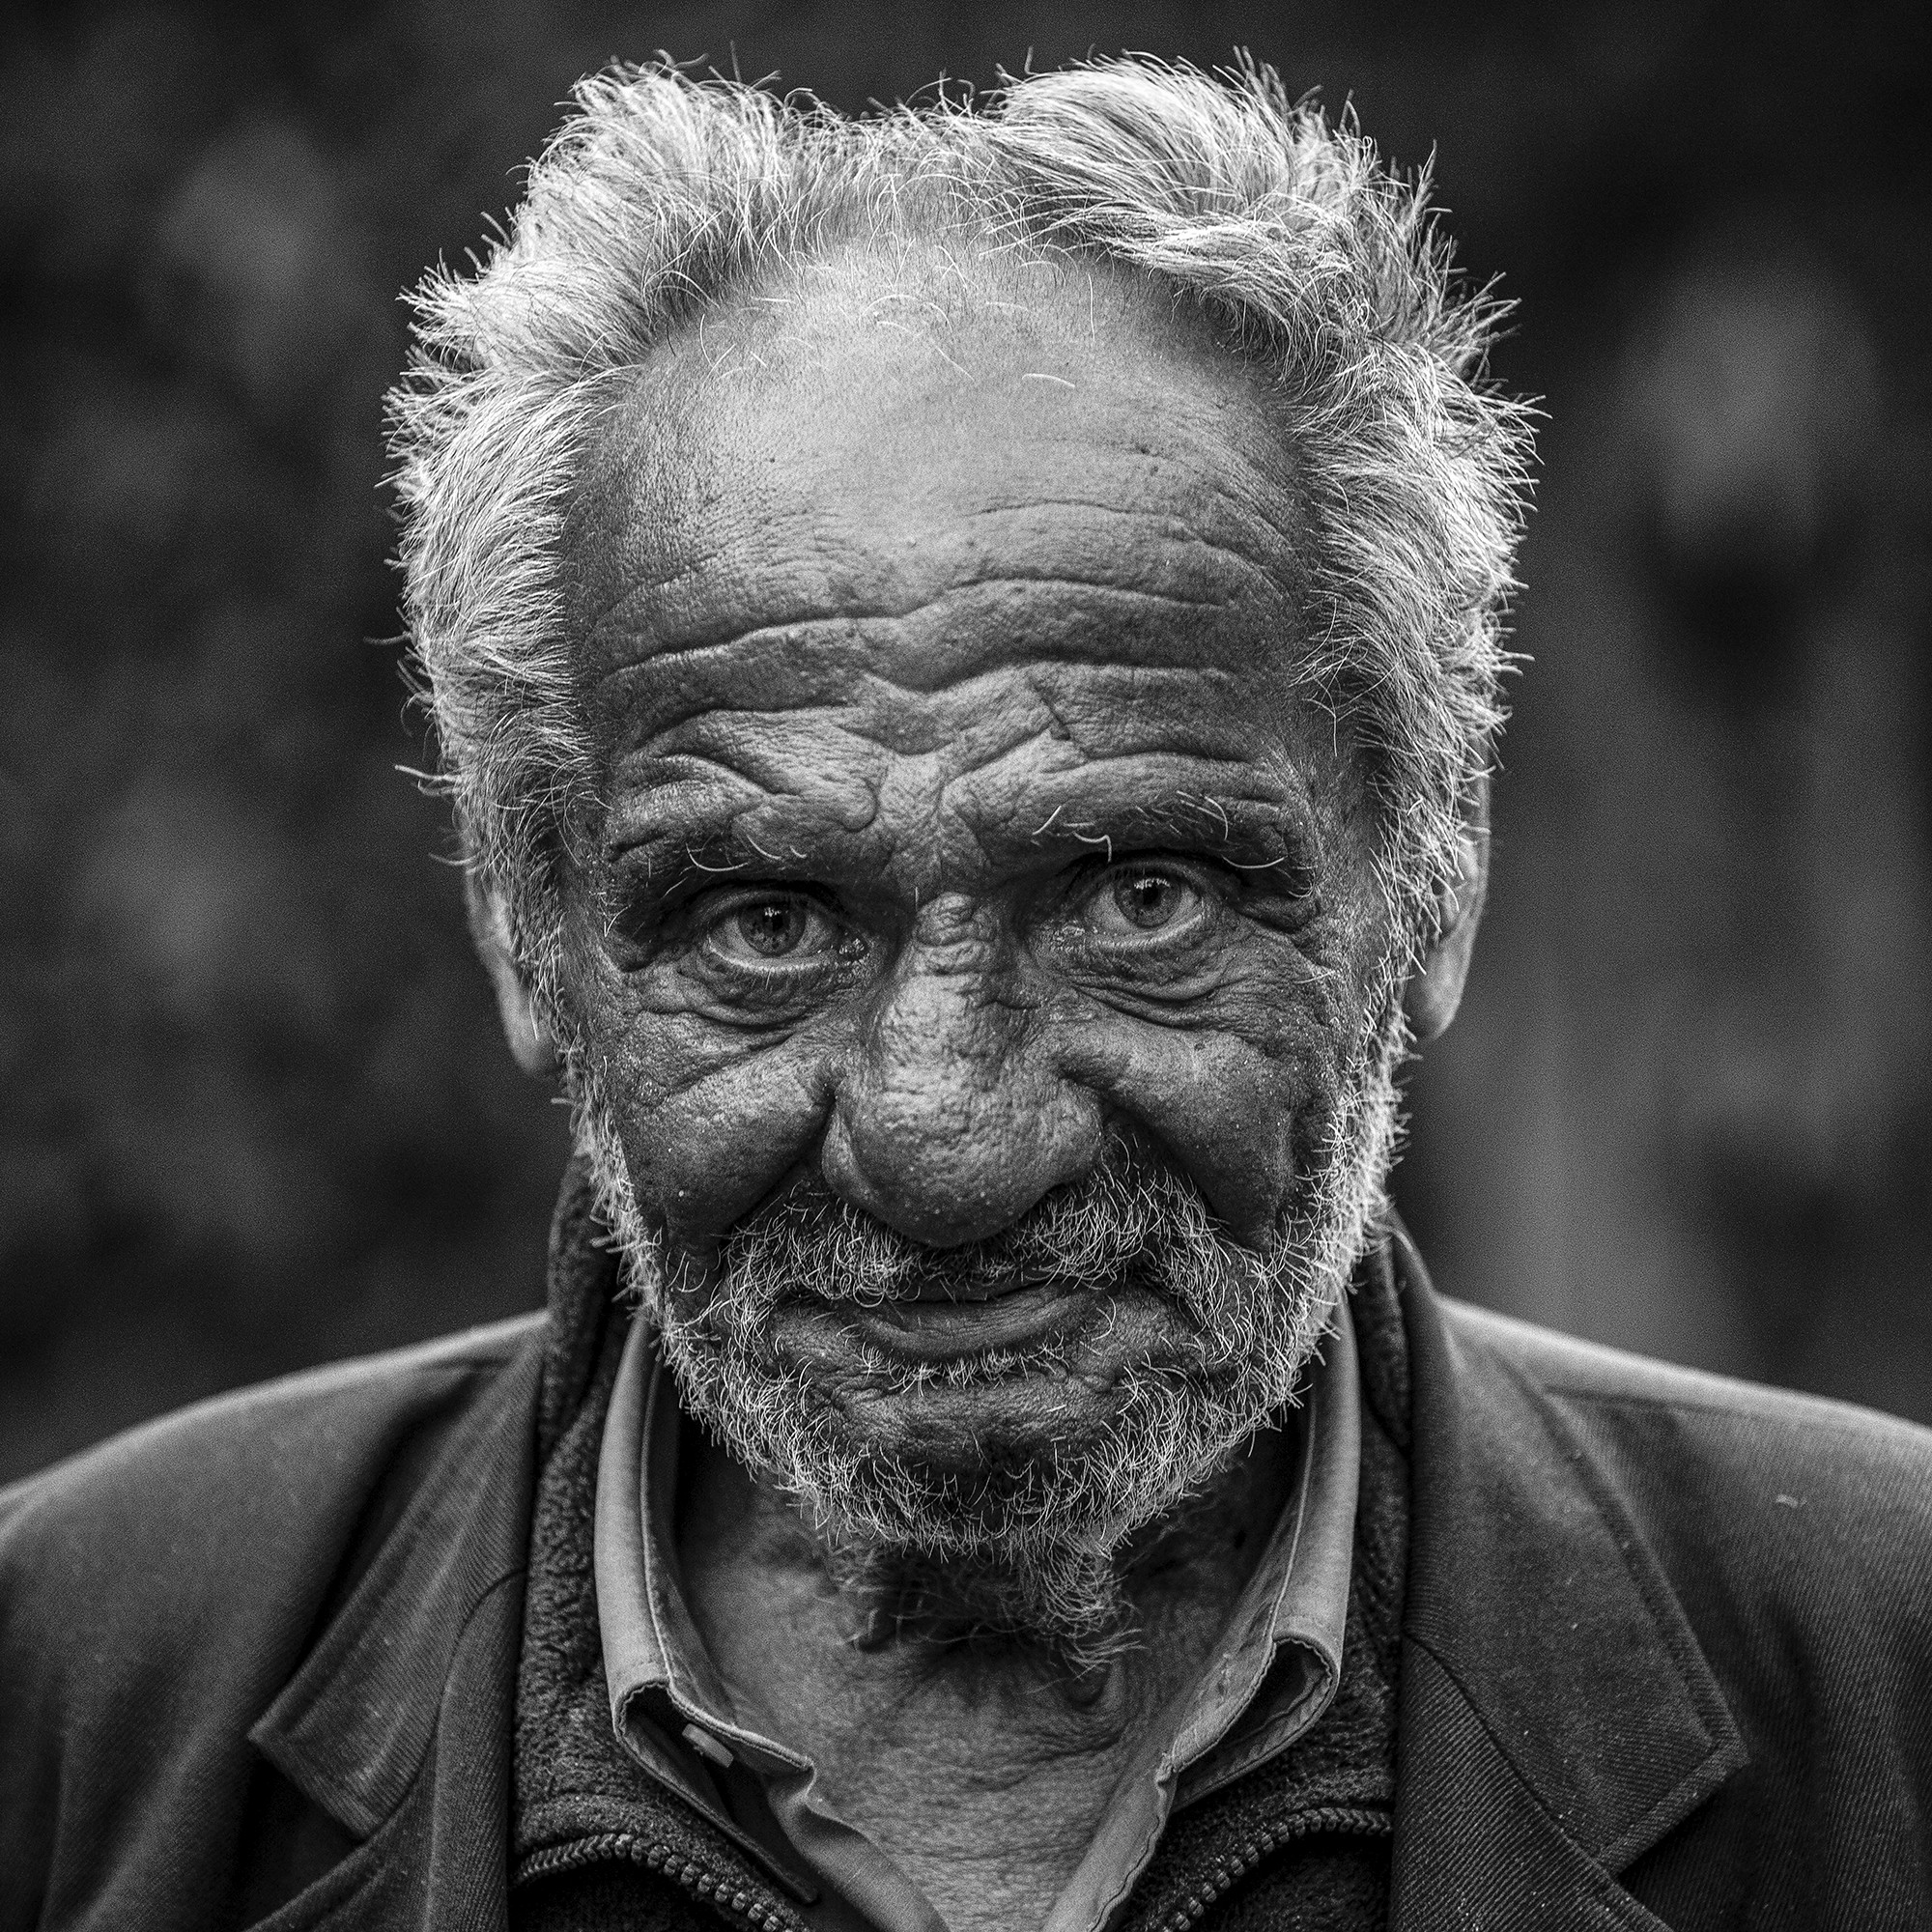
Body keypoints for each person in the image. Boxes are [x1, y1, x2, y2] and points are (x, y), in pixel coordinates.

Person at [3, 56, 1928, 1932]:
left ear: (1427, 884)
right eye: (766, 920)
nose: (942, 1136)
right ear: (532, 927)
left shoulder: (1884, 1676)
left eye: (1137, 895)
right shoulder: (74, 1688)